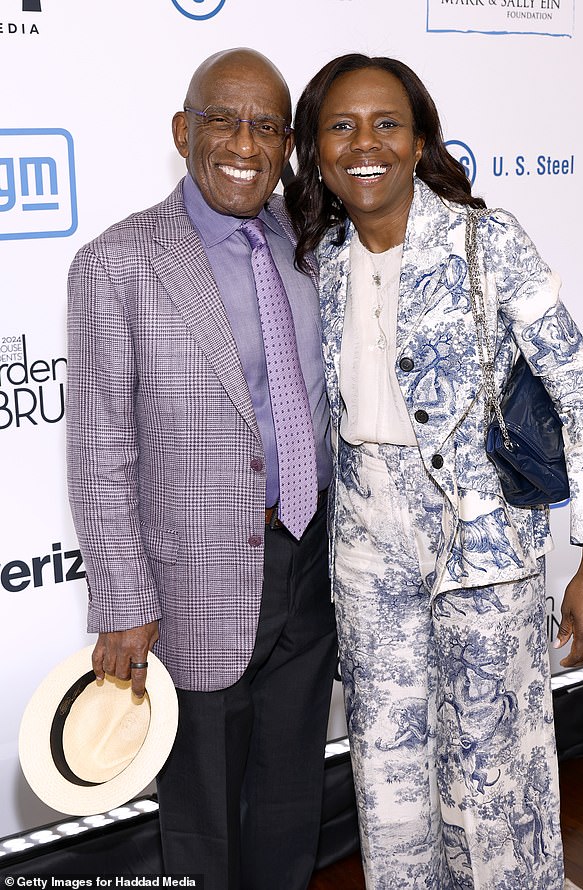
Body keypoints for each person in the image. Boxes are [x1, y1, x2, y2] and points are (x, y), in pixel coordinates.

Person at [285, 53, 583, 889]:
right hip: (368, 555)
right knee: (388, 780)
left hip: (483, 552)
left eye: (386, 123)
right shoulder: (318, 257)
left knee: (494, 778)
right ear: (317, 150)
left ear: (421, 137)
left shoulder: (486, 238)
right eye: (340, 126)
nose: (366, 144)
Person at [66, 47, 337, 890]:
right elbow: (99, 446)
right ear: (184, 131)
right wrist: (122, 602)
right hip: (193, 585)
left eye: (266, 126)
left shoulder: (311, 243)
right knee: (203, 814)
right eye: (222, 118)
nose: (244, 144)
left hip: (311, 559)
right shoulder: (118, 261)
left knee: (293, 793)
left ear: (287, 144)